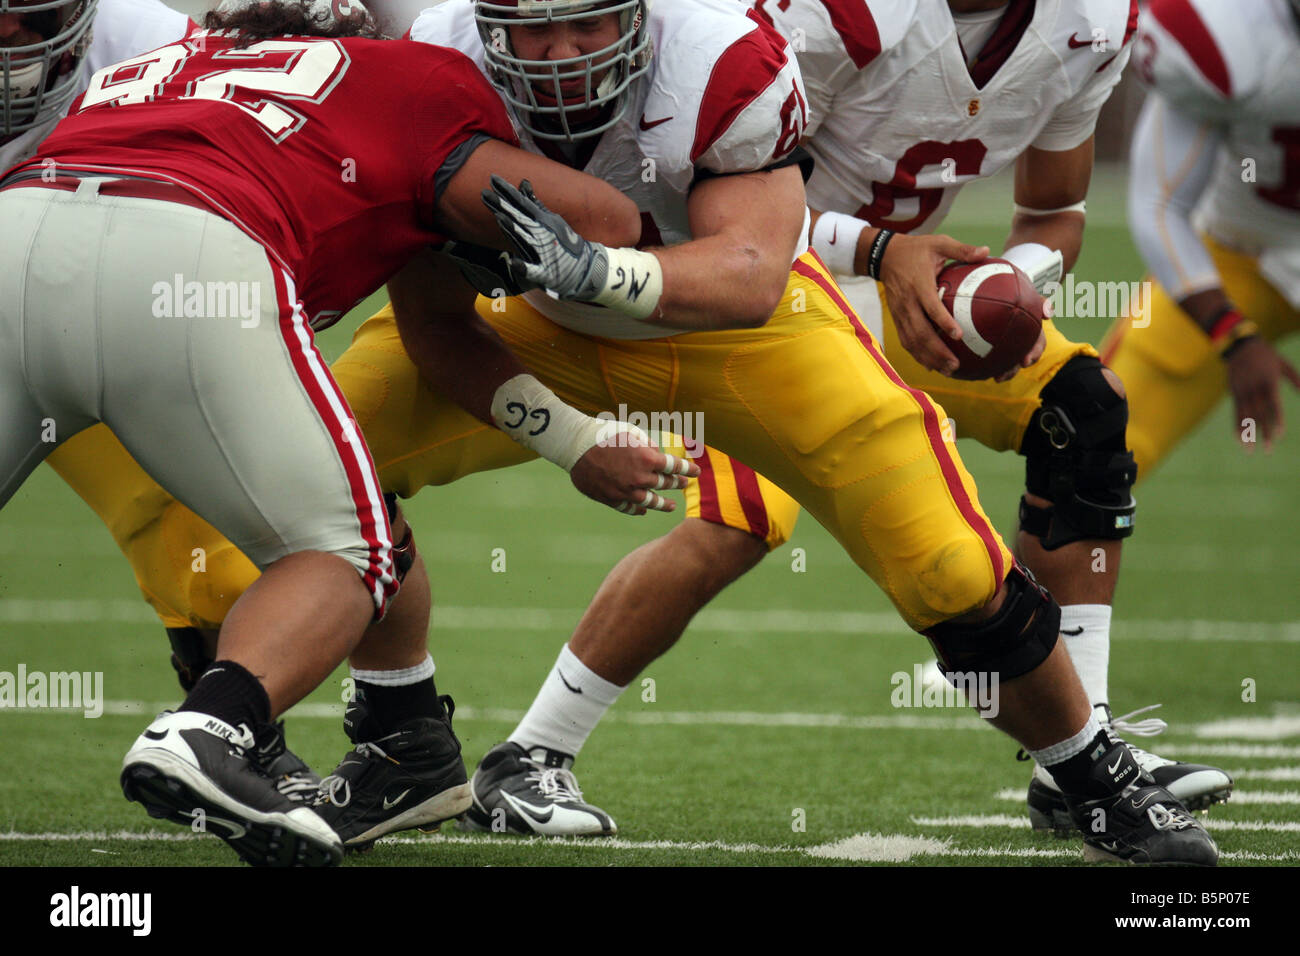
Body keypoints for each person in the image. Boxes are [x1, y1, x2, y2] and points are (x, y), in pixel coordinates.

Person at [31, 0, 1219, 863]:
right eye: (524, 30)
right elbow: (438, 319)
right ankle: (399, 742)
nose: (550, 57)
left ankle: (1089, 773)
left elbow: (755, 271)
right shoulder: (431, 55)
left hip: (723, 318)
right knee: (279, 489)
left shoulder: (726, 57)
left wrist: (608, 266)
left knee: (943, 553)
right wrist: (565, 434)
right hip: (514, 316)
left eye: (581, 26)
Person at [0, 0, 675, 865]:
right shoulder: (413, 72)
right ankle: (212, 728)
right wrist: (465, 236)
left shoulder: (166, 61)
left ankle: (406, 746)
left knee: (339, 504)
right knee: (346, 552)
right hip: (193, 254)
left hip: (21, 230)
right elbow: (603, 223)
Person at [1100, 0, 1300, 473]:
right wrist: (1231, 333)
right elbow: (1160, 205)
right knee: (1086, 461)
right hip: (1234, 256)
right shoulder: (1222, 34)